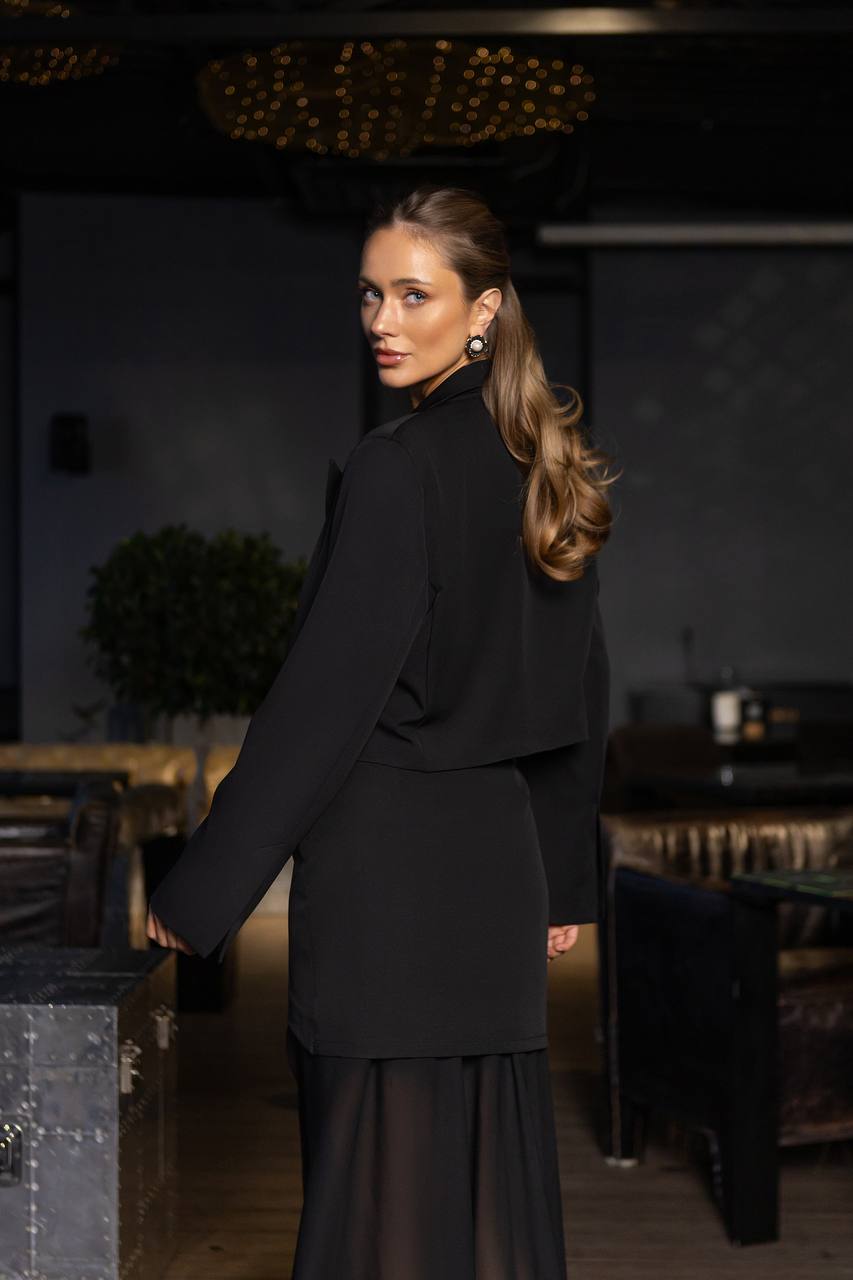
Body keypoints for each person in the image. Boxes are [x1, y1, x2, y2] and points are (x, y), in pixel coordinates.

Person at [146, 183, 617, 1279]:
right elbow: (582, 696)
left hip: (388, 879)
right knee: (480, 1189)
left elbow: (322, 699)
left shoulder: (394, 468)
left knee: (377, 1200)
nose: (382, 321)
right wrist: (558, 879)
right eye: (370, 294)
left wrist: (203, 885)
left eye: (414, 293)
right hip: (495, 872)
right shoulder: (540, 465)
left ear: (484, 309)